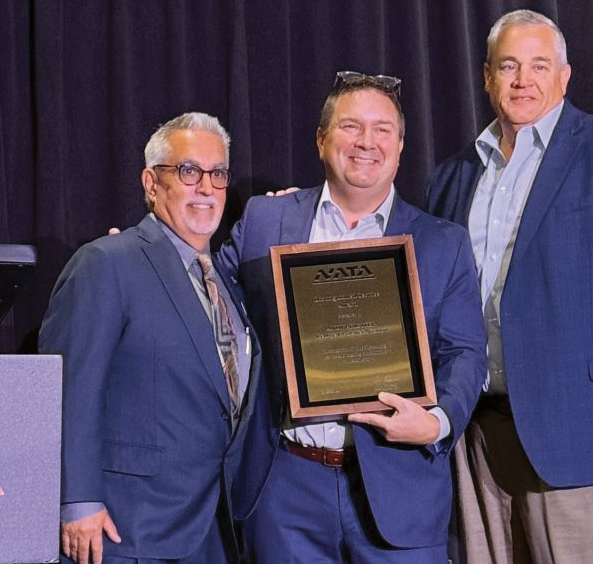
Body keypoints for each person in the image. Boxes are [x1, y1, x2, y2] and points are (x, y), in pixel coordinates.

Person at [424, 10, 593, 564]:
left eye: (540, 65)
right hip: (479, 439)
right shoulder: (453, 176)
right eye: (510, 66)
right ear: (487, 77)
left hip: (585, 438)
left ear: (565, 77)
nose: (524, 80)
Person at [216, 73, 486, 563]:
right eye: (350, 127)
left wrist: (437, 421)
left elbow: (466, 352)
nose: (367, 142)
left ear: (401, 146)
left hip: (400, 487)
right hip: (284, 493)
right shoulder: (264, 221)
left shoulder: (443, 243)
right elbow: (207, 295)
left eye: (382, 130)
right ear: (321, 140)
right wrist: (154, 258)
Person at [39, 112, 260, 564]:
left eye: (217, 174)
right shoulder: (107, 263)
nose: (206, 188)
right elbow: (71, 390)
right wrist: (76, 501)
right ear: (151, 182)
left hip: (214, 529)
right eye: (188, 171)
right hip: (124, 530)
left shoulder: (225, 282)